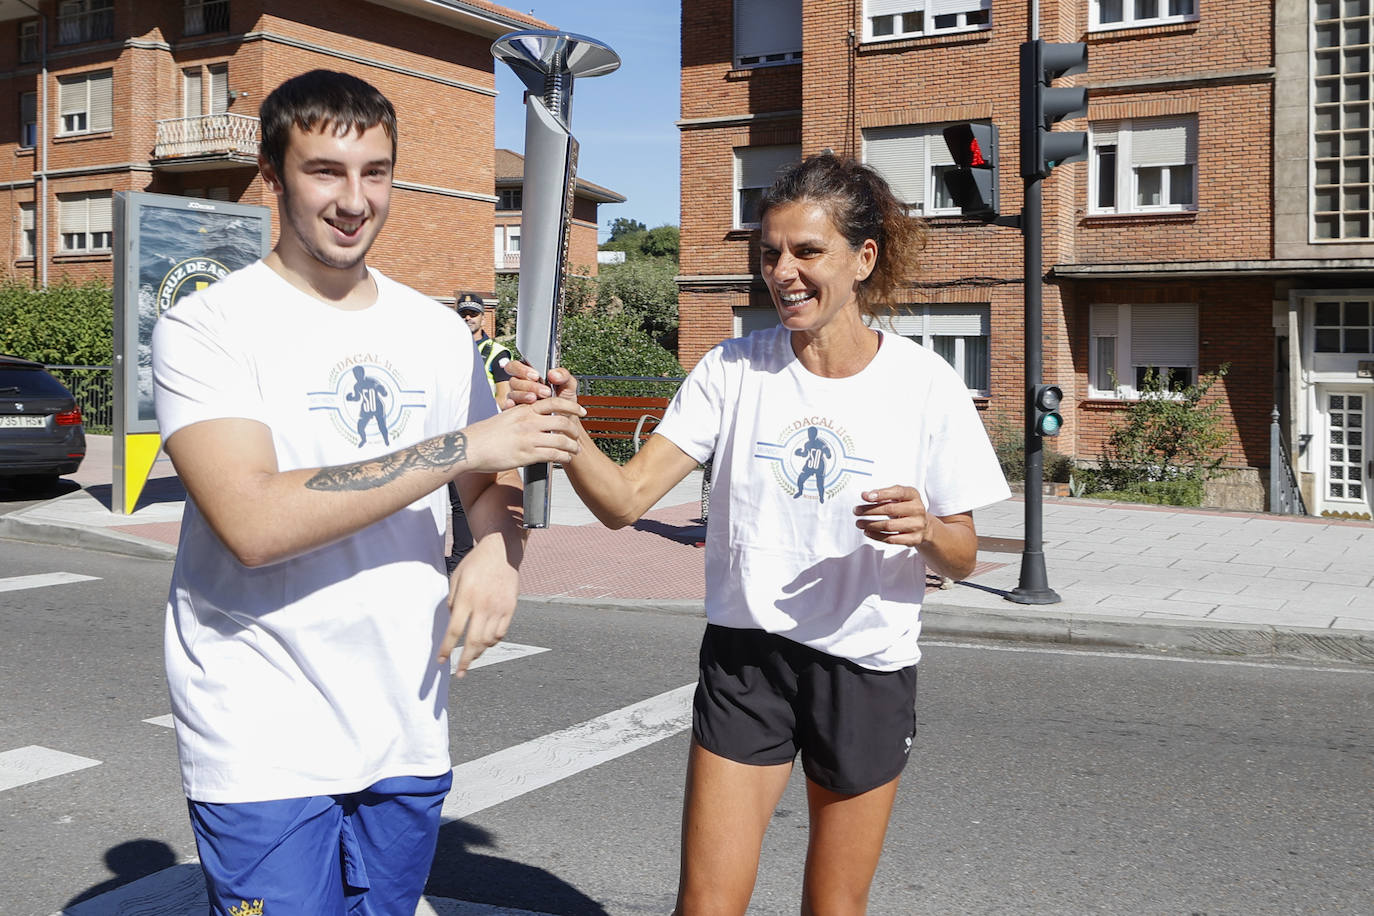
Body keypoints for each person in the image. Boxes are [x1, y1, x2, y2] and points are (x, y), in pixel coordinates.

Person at [510, 152, 1010, 915]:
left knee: (833, 907)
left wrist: (927, 530)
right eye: (771, 252)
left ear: (862, 258)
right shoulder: (732, 370)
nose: (784, 272)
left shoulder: (925, 383)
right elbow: (623, 500)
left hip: (866, 664)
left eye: (808, 252)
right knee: (705, 906)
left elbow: (966, 553)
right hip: (747, 657)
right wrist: (566, 426)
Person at [151, 69, 583, 916]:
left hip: (405, 719)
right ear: (272, 178)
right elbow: (254, 520)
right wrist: (469, 441)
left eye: (375, 172)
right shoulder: (208, 327)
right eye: (325, 172)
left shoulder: (431, 329)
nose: (355, 201)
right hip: (260, 729)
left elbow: (488, 487)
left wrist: (499, 551)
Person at [446, 293, 516, 570]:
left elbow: (503, 396)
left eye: (472, 314)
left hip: (482, 434)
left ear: (482, 317)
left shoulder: (497, 352)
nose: (467, 318)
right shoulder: (449, 349)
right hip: (452, 432)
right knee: (450, 500)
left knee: (471, 501)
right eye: (463, 313)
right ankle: (456, 555)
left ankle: (466, 558)